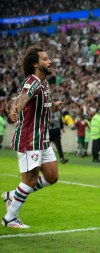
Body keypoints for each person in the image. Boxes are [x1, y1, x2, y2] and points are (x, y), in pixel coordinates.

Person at [1, 46, 63, 228]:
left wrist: (54, 105)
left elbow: (43, 105)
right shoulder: (33, 81)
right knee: (30, 179)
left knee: (52, 176)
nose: (49, 61)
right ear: (35, 64)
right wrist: (15, 110)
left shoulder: (44, 84)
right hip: (29, 139)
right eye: (45, 59)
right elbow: (23, 98)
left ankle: (13, 195)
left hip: (43, 140)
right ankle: (9, 218)